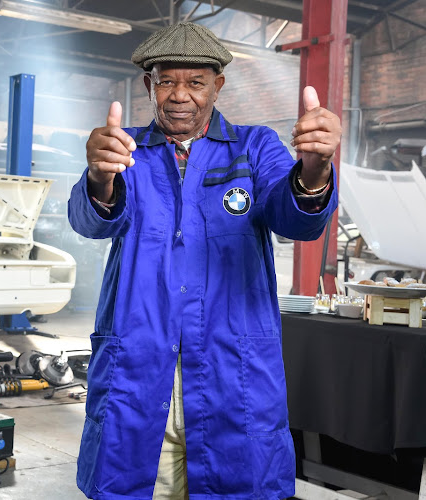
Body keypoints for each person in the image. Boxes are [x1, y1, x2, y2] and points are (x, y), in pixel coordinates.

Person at [68, 22, 340, 500]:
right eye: (167, 81)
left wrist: (314, 170)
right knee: (137, 486)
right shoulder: (124, 151)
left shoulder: (254, 149)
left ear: (218, 85)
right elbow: (92, 222)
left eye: (195, 82)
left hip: (228, 370)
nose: (180, 95)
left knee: (237, 483)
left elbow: (295, 219)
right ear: (148, 84)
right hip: (139, 366)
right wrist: (99, 178)